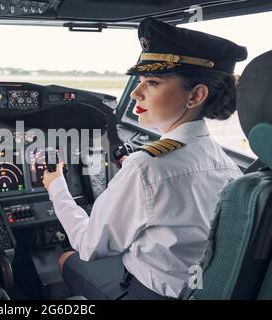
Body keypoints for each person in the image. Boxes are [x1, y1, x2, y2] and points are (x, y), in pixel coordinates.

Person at [42, 17, 247, 299]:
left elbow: (88, 246)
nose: (136, 93)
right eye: (139, 81)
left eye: (152, 82)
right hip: (197, 290)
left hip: (145, 293)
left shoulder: (147, 167)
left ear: (196, 95)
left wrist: (56, 187)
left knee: (68, 258)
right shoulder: (229, 167)